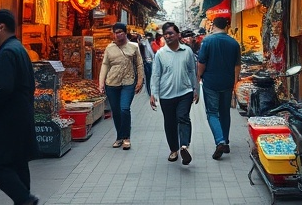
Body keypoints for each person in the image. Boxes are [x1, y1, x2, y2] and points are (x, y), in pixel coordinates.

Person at [0, 9, 39, 205]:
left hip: (8, 118)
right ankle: (25, 200)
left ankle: (24, 198)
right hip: (22, 115)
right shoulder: (19, 49)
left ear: (1, 27)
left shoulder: (7, 52)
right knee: (18, 161)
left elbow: (5, 87)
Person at [150, 22, 199, 165]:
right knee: (170, 123)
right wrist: (154, 93)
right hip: (166, 94)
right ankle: (173, 149)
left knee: (183, 117)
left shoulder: (187, 51)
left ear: (178, 35)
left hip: (185, 92)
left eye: (171, 33)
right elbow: (156, 75)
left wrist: (195, 89)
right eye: (166, 34)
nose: (168, 36)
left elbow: (192, 71)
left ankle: (184, 146)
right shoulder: (160, 54)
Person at [197, 16, 241, 160]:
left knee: (212, 113)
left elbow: (201, 62)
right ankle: (226, 141)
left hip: (211, 82)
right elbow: (237, 66)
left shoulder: (207, 41)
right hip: (227, 83)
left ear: (213, 25)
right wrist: (234, 82)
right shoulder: (234, 43)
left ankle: (220, 141)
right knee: (225, 112)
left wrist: (198, 77)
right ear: (226, 26)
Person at [98, 22, 144, 150]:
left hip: (128, 82)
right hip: (112, 83)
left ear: (125, 32)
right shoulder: (109, 48)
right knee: (116, 111)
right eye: (115, 32)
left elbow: (139, 65)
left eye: (120, 32)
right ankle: (119, 137)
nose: (117, 35)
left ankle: (127, 137)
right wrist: (101, 83)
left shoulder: (133, 47)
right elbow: (105, 65)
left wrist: (140, 81)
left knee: (124, 108)